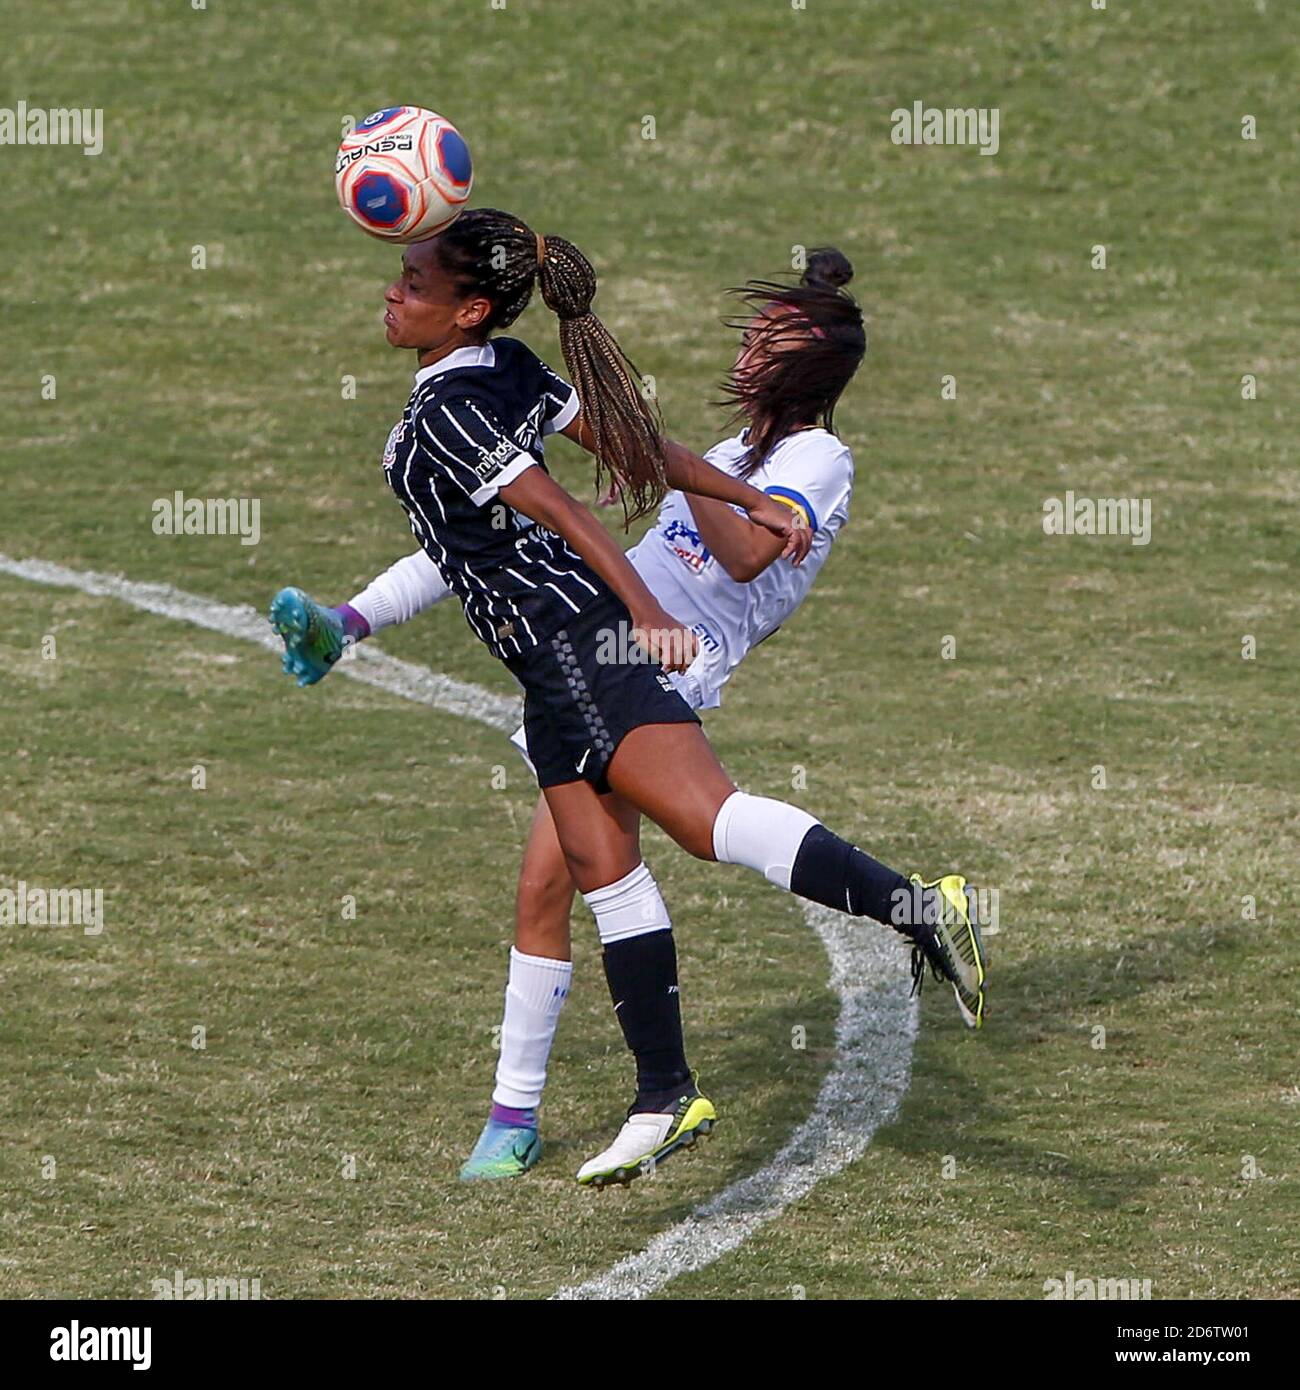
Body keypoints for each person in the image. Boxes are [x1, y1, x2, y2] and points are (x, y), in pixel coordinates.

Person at [270, 210, 987, 1188]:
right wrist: (349, 621)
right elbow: (612, 455)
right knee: (590, 873)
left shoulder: (459, 407)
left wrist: (653, 595)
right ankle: (635, 1099)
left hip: (594, 642)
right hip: (558, 654)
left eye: (410, 283)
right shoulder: (504, 370)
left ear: (469, 308)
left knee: (703, 824)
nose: (390, 293)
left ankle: (909, 906)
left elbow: (574, 506)